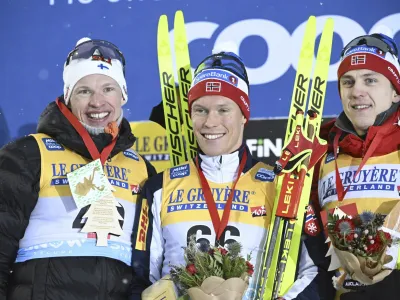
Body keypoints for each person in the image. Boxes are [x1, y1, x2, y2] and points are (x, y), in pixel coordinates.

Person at [132, 50, 333, 300]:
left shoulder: (282, 185)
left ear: (243, 115)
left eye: (223, 109)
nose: (210, 122)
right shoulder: (159, 187)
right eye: (201, 110)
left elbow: (318, 272)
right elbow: (140, 277)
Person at [0, 37, 156, 300]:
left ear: (123, 95)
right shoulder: (28, 155)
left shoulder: (142, 169)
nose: (97, 102)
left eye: (108, 89)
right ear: (68, 96)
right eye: (84, 91)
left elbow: (148, 266)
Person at [312, 33, 400, 299]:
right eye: (347, 82)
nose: (357, 91)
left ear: (396, 92)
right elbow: (310, 245)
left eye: (370, 80)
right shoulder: (319, 154)